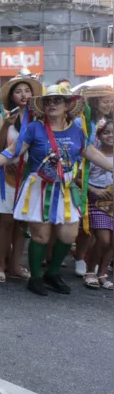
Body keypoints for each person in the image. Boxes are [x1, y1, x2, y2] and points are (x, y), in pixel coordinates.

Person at [0, 84, 114, 296]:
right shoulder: (34, 128)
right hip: (39, 188)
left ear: (67, 105)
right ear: (42, 106)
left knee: (68, 235)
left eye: (57, 100)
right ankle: (35, 279)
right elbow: (12, 152)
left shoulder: (77, 130)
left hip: (67, 189)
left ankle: (52, 274)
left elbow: (90, 152)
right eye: (48, 101)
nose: (52, 104)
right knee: (41, 236)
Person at [0, 70, 42, 283]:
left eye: (27, 90)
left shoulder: (40, 117)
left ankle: (16, 264)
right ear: (12, 97)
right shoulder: (5, 116)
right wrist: (7, 126)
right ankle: (0, 265)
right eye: (18, 91)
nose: (23, 95)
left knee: (22, 223)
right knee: (6, 222)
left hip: (30, 177)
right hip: (6, 175)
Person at [72, 87, 114, 277]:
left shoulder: (103, 122)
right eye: (105, 101)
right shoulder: (81, 121)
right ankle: (78, 257)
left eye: (111, 101)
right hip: (77, 174)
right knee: (81, 222)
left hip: (95, 175)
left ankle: (84, 257)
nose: (109, 105)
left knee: (90, 224)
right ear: (95, 102)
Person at [83, 117, 113, 289]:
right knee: (103, 239)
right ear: (99, 135)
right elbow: (79, 178)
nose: (110, 136)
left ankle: (102, 272)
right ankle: (89, 270)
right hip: (97, 201)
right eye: (106, 132)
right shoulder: (92, 153)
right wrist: (94, 191)